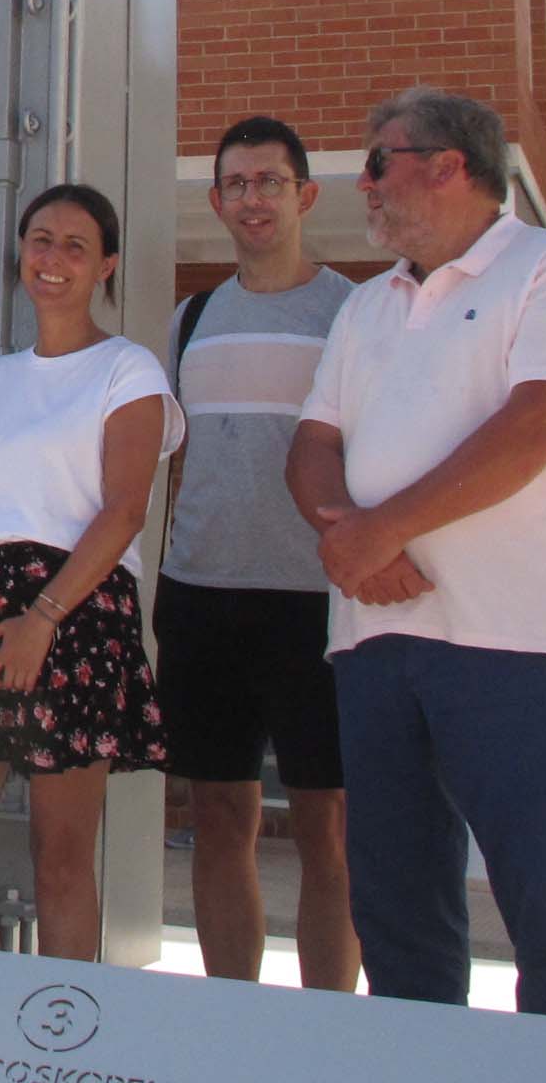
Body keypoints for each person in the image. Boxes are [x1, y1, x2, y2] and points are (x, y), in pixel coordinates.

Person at [287, 88, 546, 1082]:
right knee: (396, 919)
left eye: (377, 161)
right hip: (372, 646)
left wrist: (384, 526)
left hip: (518, 646)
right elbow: (313, 441)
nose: (362, 183)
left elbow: (536, 424)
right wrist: (344, 536)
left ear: (445, 164)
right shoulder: (365, 302)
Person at [0, 183, 179, 962]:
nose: (52, 260)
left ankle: (60, 1047)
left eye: (75, 246)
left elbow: (125, 509)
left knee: (61, 863)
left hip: (78, 614)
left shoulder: (129, 370)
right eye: (40, 240)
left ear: (106, 267)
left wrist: (45, 619)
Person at [152, 117, 357, 989]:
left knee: (328, 827)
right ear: (217, 202)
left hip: (320, 602)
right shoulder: (191, 319)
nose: (252, 199)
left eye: (269, 181)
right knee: (218, 817)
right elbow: (165, 463)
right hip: (201, 599)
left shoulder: (357, 313)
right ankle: (231, 1020)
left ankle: (324, 1034)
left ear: (305, 195)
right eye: (236, 184)